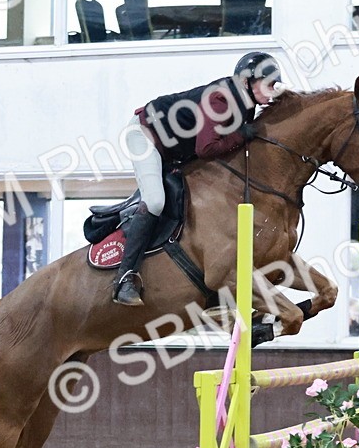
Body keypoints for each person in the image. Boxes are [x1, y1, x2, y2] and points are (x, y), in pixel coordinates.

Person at [113, 51, 283, 306]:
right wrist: (241, 135)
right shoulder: (220, 100)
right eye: (269, 85)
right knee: (156, 201)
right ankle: (125, 277)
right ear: (248, 81)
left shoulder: (246, 104)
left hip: (176, 149)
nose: (272, 91)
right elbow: (206, 149)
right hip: (145, 135)